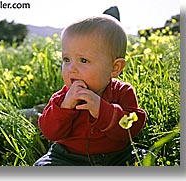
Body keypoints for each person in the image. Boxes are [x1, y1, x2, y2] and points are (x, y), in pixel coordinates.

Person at [34, 15, 146, 166]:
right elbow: (49, 132)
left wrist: (102, 109)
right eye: (66, 60)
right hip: (68, 157)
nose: (71, 69)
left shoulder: (122, 91)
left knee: (146, 159)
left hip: (117, 155)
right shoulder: (62, 97)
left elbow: (133, 128)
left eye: (83, 60)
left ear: (115, 68)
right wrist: (65, 106)